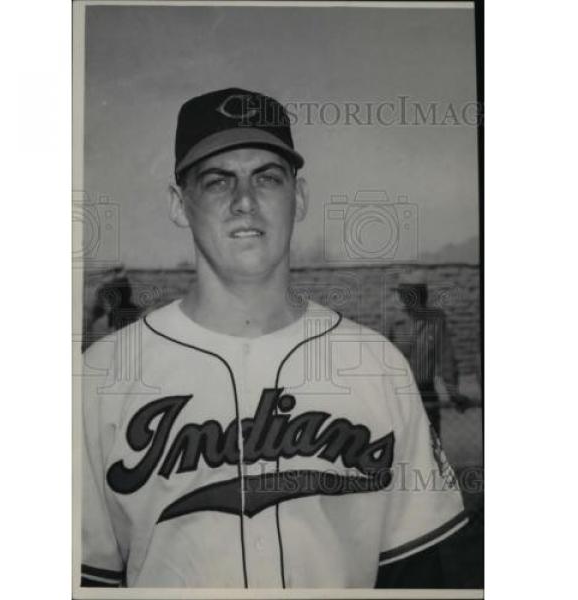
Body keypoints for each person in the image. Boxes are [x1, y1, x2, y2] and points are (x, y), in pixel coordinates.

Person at [80, 88, 468, 589]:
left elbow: (417, 577)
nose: (245, 201)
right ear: (179, 204)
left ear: (299, 197)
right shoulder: (102, 377)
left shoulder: (375, 365)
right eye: (217, 181)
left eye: (267, 177)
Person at [389, 271, 470, 437]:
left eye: (414, 294)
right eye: (405, 294)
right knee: (401, 447)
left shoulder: (436, 320)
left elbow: (446, 358)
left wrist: (453, 392)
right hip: (398, 394)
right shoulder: (393, 320)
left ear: (422, 295)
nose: (409, 299)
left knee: (430, 445)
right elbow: (380, 359)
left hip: (426, 392)